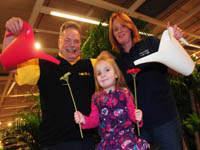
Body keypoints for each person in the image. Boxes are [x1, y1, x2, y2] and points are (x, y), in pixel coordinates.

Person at [2, 17, 96, 150]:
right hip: (54, 143)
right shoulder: (43, 65)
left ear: (80, 44)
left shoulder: (91, 65)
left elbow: (116, 71)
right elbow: (9, 64)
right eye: (67, 40)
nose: (72, 45)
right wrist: (9, 33)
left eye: (76, 41)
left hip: (86, 141)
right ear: (59, 43)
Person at [109, 12, 183, 150]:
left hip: (165, 120)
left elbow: (176, 70)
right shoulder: (118, 62)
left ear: (130, 27)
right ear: (113, 35)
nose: (120, 31)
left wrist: (175, 45)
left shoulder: (151, 43)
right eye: (115, 29)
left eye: (123, 26)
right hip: (139, 127)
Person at [74, 52, 150, 150]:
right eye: (99, 73)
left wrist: (138, 117)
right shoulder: (96, 98)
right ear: (96, 79)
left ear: (116, 74)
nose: (103, 75)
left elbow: (132, 115)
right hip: (107, 144)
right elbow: (94, 120)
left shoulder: (124, 93)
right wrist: (83, 120)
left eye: (107, 70)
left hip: (126, 141)